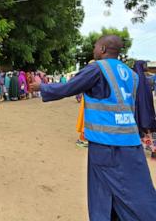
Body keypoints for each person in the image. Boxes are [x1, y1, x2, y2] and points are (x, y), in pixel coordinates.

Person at [30, 35, 156, 220]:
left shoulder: (97, 69)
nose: (93, 50)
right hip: (130, 144)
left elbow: (69, 87)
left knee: (101, 193)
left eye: (96, 46)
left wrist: (43, 87)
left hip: (105, 145)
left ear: (103, 49)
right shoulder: (132, 75)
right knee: (135, 190)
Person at [133, 60, 156, 158]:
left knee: (140, 130)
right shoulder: (147, 81)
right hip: (148, 111)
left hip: (138, 110)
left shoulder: (134, 80)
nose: (146, 67)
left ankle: (148, 149)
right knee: (148, 131)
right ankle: (153, 149)